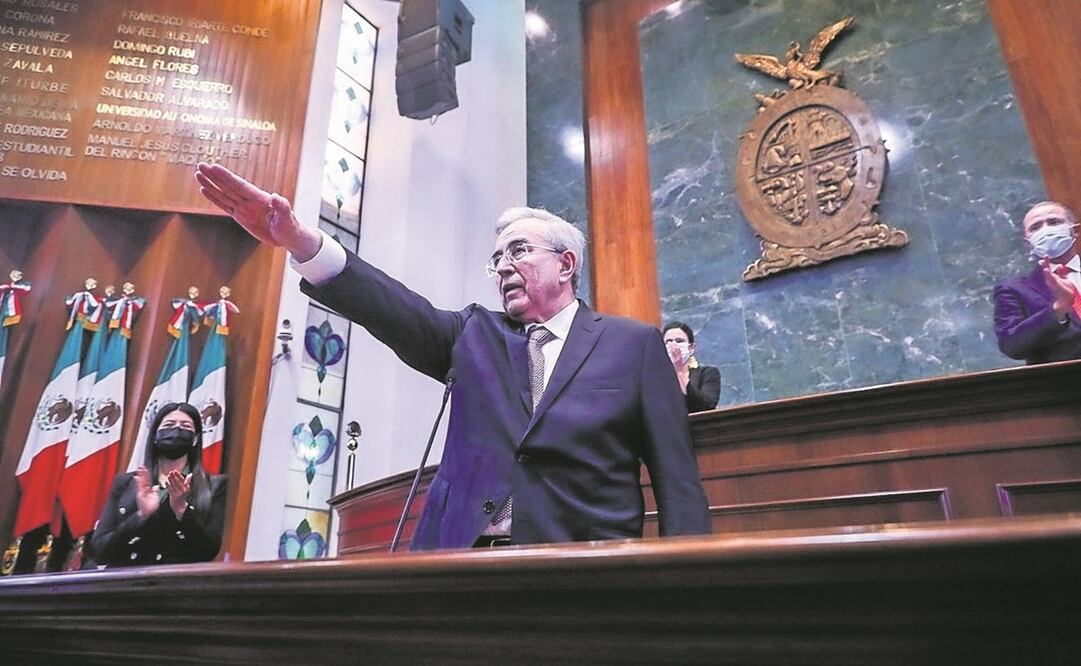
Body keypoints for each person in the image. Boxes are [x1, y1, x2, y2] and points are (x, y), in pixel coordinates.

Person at [194, 162, 711, 551]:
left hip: (582, 569)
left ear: (566, 264)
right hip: (457, 563)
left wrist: (679, 586)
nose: (504, 267)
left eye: (519, 251)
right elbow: (393, 308)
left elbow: (677, 478)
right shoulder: (473, 333)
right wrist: (302, 243)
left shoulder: (634, 345)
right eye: (497, 259)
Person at [89, 402, 227, 567]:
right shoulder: (126, 483)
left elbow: (208, 552)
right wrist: (140, 516)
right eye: (169, 425)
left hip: (175, 585)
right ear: (155, 435)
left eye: (185, 426)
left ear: (195, 439)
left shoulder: (214, 486)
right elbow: (99, 551)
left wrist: (181, 510)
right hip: (124, 582)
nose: (176, 430)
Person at [994, 201, 1081, 364]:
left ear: (1074, 230)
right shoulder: (1014, 289)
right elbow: (1011, 345)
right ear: (1029, 243)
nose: (1046, 230)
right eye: (1035, 227)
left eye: (1054, 222)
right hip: (1067, 384)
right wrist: (1058, 309)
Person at [662, 321, 721, 412]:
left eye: (679, 341)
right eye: (668, 342)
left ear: (691, 348)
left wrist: (680, 370)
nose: (673, 346)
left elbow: (708, 406)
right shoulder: (655, 378)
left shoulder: (707, 374)